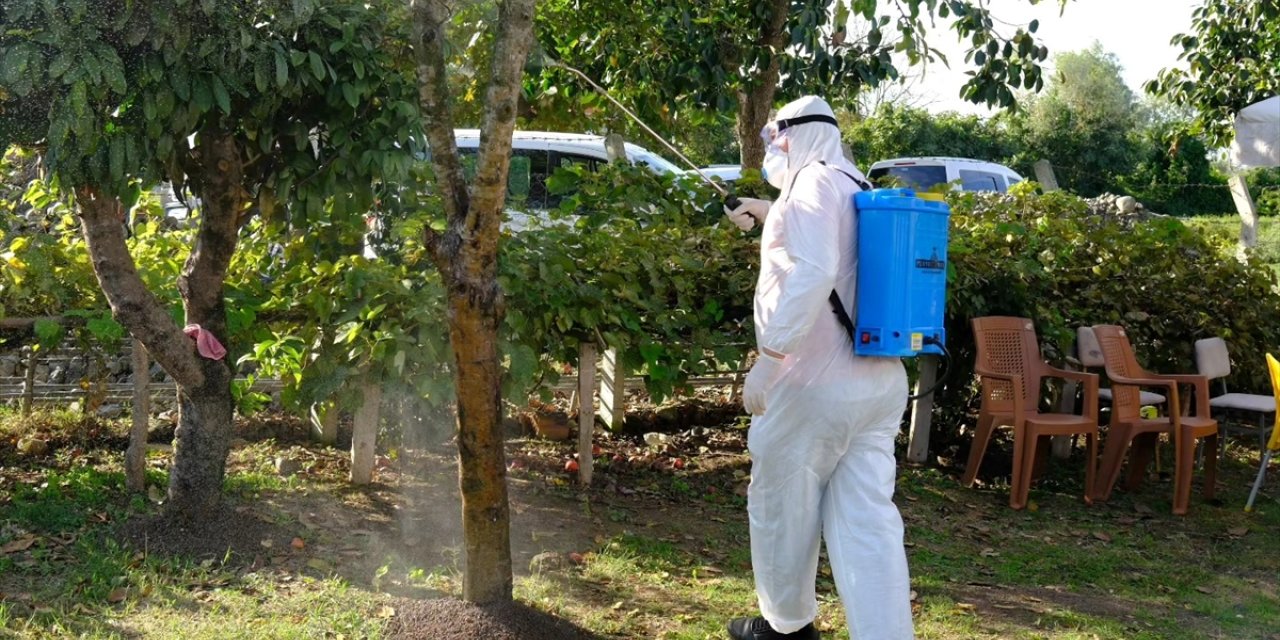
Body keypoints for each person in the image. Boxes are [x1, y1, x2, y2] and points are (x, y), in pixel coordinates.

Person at [723, 95, 915, 640]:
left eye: (773, 137)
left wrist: (770, 358)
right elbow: (830, 249)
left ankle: (785, 629)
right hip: (877, 382)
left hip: (813, 385)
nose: (770, 148)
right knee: (868, 525)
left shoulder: (810, 185)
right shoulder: (854, 184)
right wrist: (766, 215)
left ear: (794, 134)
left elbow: (813, 269)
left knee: (782, 507)